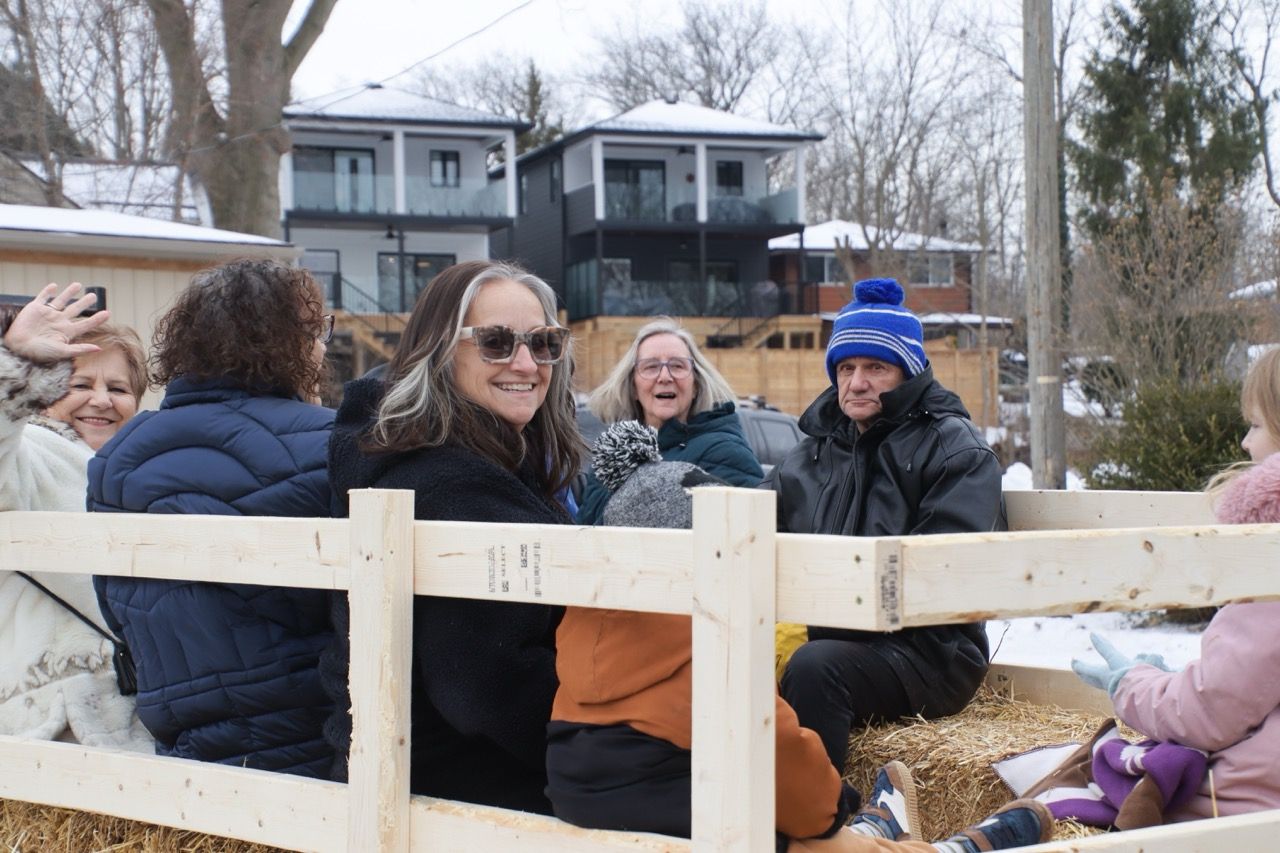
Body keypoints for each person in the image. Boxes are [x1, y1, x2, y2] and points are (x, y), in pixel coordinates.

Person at [550, 422, 1051, 852]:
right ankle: (950, 847)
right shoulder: (708, 652)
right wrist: (835, 808)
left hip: (622, 818)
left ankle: (875, 827)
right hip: (706, 831)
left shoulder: (583, 638)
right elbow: (784, 762)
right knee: (820, 842)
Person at [321, 260, 584, 812]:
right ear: (440, 350)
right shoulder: (453, 488)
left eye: (543, 343)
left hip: (425, 782)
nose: (526, 363)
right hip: (467, 799)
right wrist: (617, 742)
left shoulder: (463, 462)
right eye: (496, 342)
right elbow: (488, 688)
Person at [89, 259, 336, 777]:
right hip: (311, 737)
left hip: (182, 741)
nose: (322, 348)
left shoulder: (117, 458)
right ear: (288, 342)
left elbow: (116, 606)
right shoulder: (328, 442)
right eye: (316, 332)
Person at [768, 278, 1003, 771]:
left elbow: (938, 577)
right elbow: (755, 535)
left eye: (876, 367)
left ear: (907, 372)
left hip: (929, 653)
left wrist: (809, 626)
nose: (857, 382)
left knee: (814, 667)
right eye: (846, 368)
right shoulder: (810, 454)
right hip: (829, 635)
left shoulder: (954, 449)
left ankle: (819, 811)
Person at [1072, 347, 1280, 820]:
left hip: (1250, 804)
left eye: (1255, 425)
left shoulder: (1271, 551)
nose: (1245, 444)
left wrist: (1131, 684)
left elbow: (1210, 712)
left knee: (1074, 784)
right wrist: (1173, 680)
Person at [0, 285, 151, 750]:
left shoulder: (139, 472)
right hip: (50, 718)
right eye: (81, 385)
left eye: (118, 389)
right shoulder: (27, 453)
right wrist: (19, 362)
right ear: (43, 391)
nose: (102, 400)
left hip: (135, 716)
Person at [576, 317, 762, 524]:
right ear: (633, 387)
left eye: (677, 366)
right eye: (651, 367)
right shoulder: (610, 459)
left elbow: (749, 532)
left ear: (696, 385)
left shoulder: (725, 452)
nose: (665, 377)